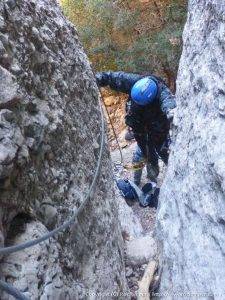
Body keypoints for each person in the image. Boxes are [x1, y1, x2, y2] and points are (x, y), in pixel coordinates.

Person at [96, 71, 176, 185]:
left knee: (165, 154)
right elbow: (118, 78)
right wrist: (102, 77)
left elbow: (168, 100)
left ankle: (174, 173)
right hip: (141, 131)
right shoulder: (136, 82)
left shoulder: (161, 91)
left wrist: (170, 111)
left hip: (158, 132)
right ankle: (146, 181)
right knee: (146, 156)